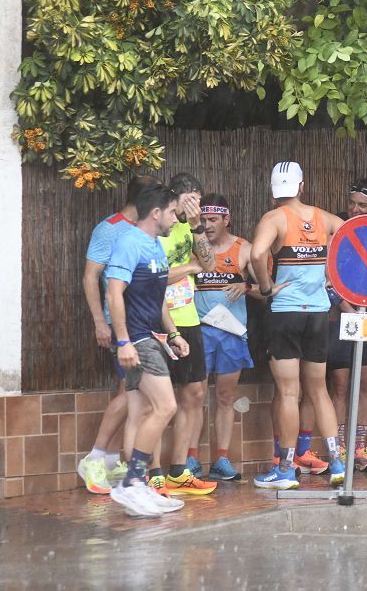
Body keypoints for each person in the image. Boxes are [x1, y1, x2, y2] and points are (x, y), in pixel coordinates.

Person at [251, 161, 346, 488]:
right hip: (318, 312)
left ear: (274, 190)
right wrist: (332, 273)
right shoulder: (324, 218)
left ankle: (286, 470)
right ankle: (337, 463)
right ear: (301, 186)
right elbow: (351, 231)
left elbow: (256, 254)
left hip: (286, 312)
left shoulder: (273, 218)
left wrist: (265, 288)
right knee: (319, 390)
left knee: (289, 393)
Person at [107, 183, 188, 517]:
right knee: (167, 406)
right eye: (172, 211)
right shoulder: (128, 243)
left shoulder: (154, 245)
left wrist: (173, 334)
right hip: (137, 340)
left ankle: (138, 487)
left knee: (141, 413)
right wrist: (123, 340)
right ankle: (132, 483)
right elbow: (114, 292)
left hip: (152, 337)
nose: (175, 217)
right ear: (156, 213)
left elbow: (158, 298)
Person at [78, 174, 158, 494]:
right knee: (130, 391)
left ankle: (121, 462)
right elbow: (90, 277)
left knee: (137, 395)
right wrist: (100, 322)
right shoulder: (109, 229)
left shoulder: (147, 231)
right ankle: (96, 458)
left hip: (146, 325)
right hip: (121, 325)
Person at [193, 194, 261, 481]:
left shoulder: (243, 248)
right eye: (204, 220)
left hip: (232, 332)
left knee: (224, 396)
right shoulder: (194, 248)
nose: (207, 226)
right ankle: (190, 459)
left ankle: (221, 458)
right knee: (194, 397)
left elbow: (266, 289)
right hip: (198, 330)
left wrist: (246, 287)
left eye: (213, 220)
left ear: (226, 219)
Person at [158, 173, 217, 496]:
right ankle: (152, 473)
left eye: (199, 199)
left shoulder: (191, 228)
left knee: (194, 392)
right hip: (159, 321)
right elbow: (154, 275)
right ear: (175, 198)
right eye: (189, 200)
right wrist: (189, 268)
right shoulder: (160, 226)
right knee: (154, 400)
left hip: (188, 318)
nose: (195, 206)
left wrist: (196, 227)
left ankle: (178, 469)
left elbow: (208, 263)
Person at [327, 178, 367, 472]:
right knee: (340, 384)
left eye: (362, 205)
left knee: (365, 382)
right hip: (342, 315)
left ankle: (360, 448)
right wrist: (349, 309)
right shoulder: (337, 230)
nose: (354, 209)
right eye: (351, 203)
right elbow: (328, 276)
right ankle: (339, 448)